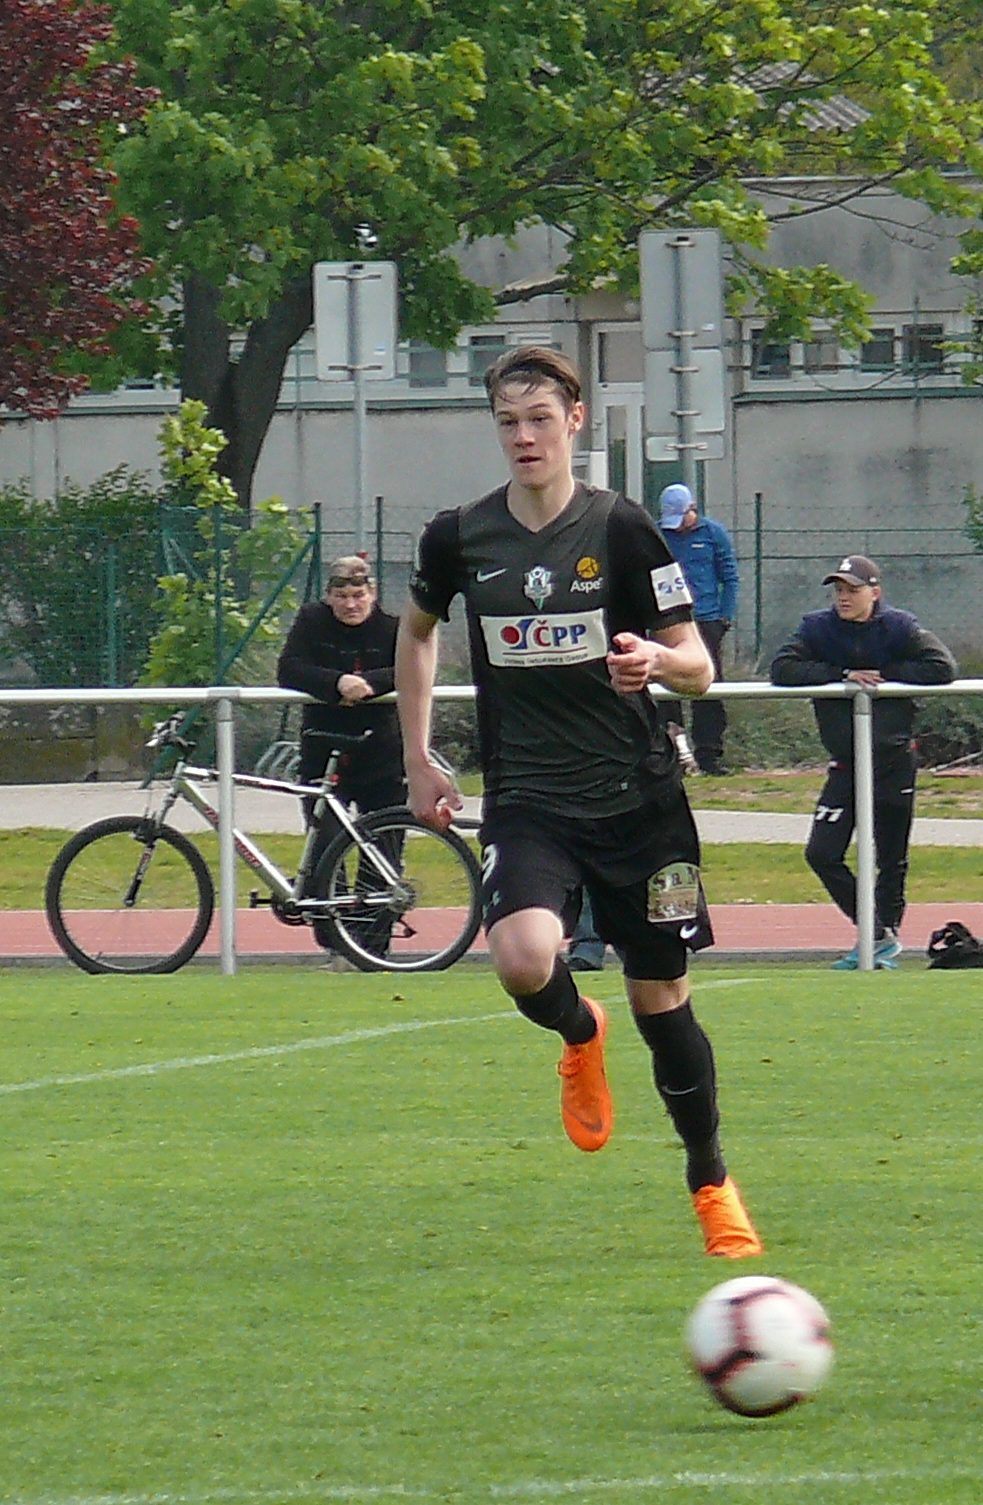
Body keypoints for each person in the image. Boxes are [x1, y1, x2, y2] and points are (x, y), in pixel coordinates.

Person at [396, 345, 760, 1258]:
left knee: (662, 1001)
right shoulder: (460, 537)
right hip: (530, 798)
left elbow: (699, 666)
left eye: (540, 419)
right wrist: (418, 756)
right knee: (523, 960)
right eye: (508, 422)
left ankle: (711, 1183)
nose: (525, 437)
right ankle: (576, 1027)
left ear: (575, 421)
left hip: (641, 803)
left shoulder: (623, 529)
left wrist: (657, 661)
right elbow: (417, 633)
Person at [768, 555, 958, 968]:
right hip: (846, 762)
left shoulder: (899, 627)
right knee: (821, 853)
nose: (843, 598)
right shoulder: (817, 628)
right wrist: (843, 674)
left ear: (875, 592)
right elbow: (782, 668)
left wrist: (884, 674)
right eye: (839, 590)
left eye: (852, 590)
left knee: (891, 858)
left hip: (893, 760)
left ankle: (882, 943)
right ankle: (876, 933)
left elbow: (942, 667)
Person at [276, 553, 402, 958]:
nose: (351, 604)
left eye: (358, 595)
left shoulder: (392, 628)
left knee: (382, 852)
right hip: (323, 752)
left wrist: (369, 684)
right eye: (342, 596)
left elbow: (411, 667)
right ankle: (336, 941)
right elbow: (289, 668)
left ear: (372, 593)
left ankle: (374, 950)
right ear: (329, 596)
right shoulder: (311, 622)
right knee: (325, 849)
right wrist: (336, 683)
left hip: (381, 754)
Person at [657, 483, 739, 775]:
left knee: (709, 689)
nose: (677, 526)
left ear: (692, 510)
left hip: (706, 621)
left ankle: (709, 755)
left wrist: (723, 618)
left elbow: (729, 577)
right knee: (666, 687)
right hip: (667, 621)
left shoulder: (714, 534)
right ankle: (674, 754)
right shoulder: (657, 535)